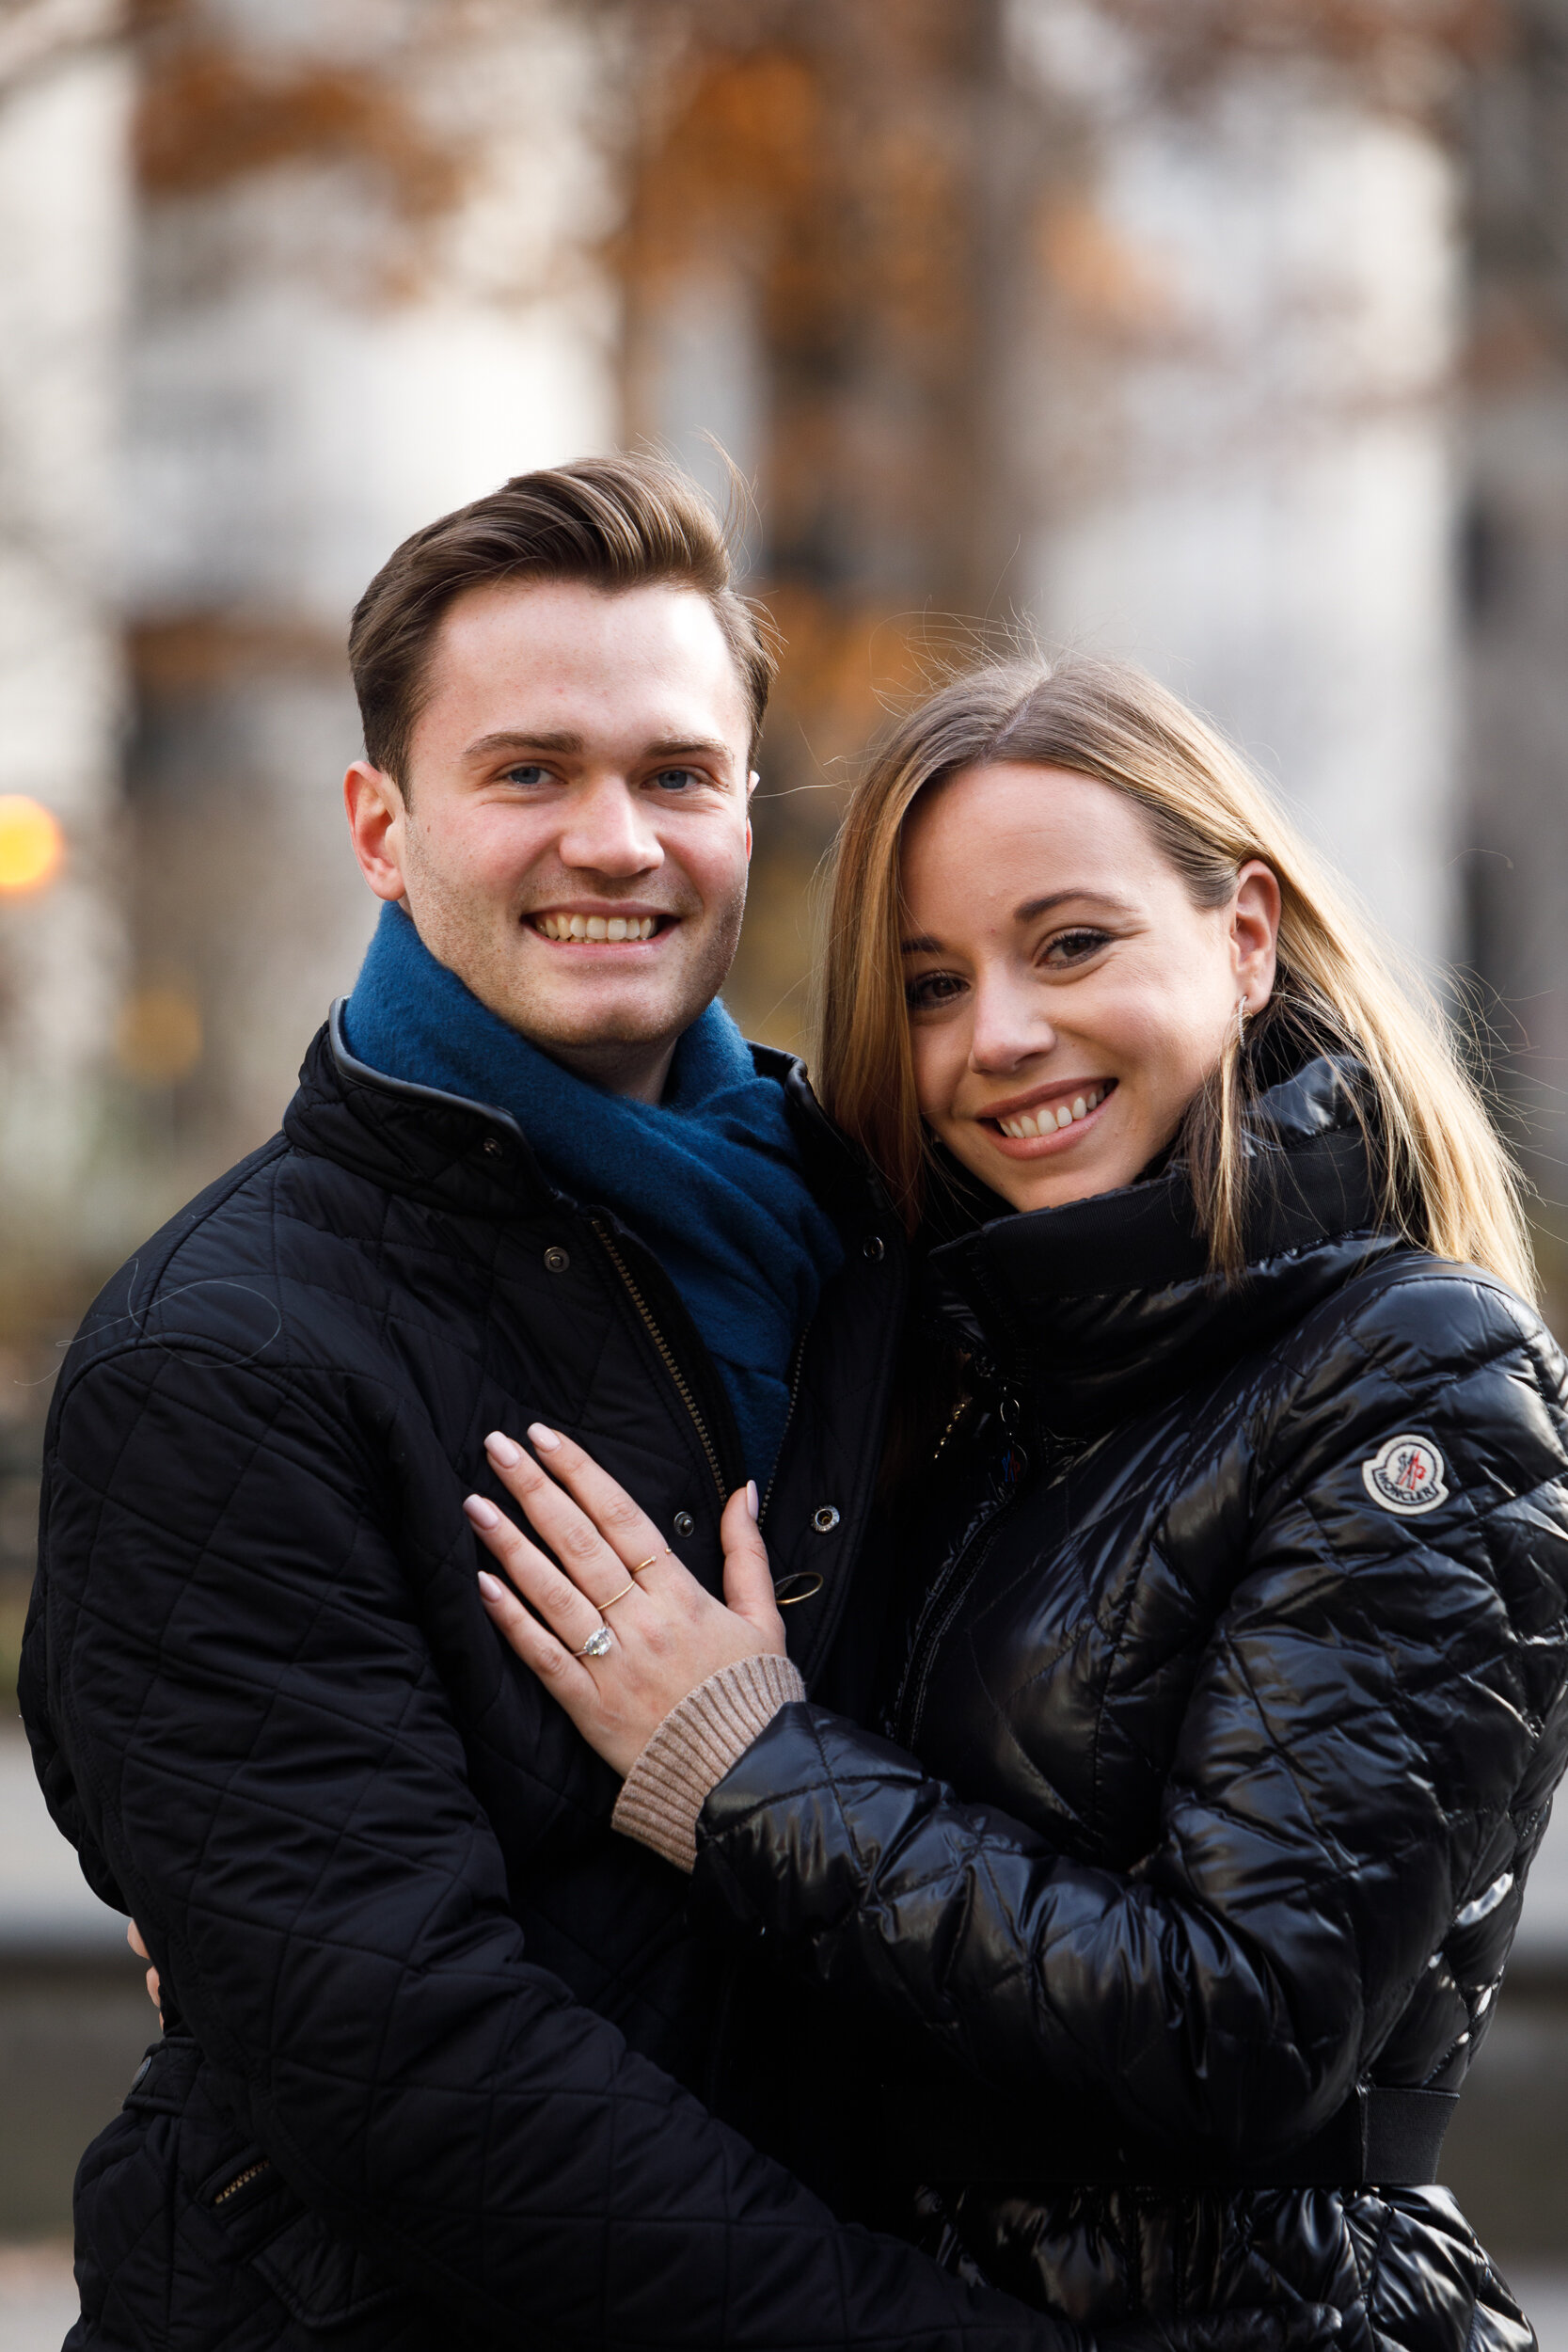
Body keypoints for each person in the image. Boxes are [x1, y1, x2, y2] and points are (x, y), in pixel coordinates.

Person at [21, 464, 1318, 2352]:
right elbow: (419, 2074)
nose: (612, 839)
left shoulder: (892, 1223)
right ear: (384, 827)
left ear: (742, 812)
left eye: (676, 774)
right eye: (529, 772)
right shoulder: (221, 1355)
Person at [467, 653, 1568, 2352]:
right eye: (926, 985)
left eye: (1071, 943)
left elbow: (1248, 2025)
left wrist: (748, 1767)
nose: (999, 1038)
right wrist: (273, 1916)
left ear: (1244, 936)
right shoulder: (954, 1357)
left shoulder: (1416, 1379)